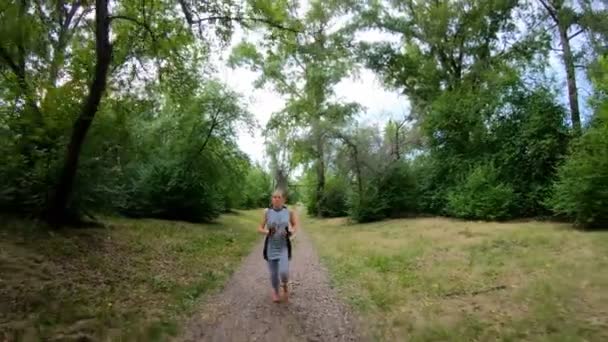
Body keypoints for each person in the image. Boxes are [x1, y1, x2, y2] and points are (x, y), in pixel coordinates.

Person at [258, 189, 298, 303]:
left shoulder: (289, 212)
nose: (276, 199)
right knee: (274, 275)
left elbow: (295, 225)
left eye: (279, 197)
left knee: (284, 272)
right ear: (272, 199)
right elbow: (259, 228)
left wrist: (290, 231)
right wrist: (267, 232)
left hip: (283, 247)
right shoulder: (267, 212)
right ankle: (275, 291)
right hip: (271, 247)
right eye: (274, 197)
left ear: (284, 199)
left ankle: (285, 284)